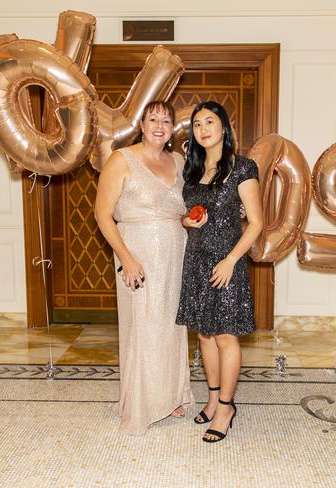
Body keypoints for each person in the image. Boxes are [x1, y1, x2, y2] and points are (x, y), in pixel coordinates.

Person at [94, 101, 193, 435]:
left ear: (172, 128)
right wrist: (126, 257)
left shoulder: (178, 161)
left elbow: (178, 211)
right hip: (137, 254)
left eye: (167, 120)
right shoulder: (121, 160)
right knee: (143, 328)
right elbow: (102, 215)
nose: (160, 126)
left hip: (176, 253)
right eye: (153, 119)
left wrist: (193, 220)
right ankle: (142, 404)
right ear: (142, 123)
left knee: (172, 326)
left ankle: (171, 396)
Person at [176, 101, 262, 443]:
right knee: (204, 334)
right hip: (196, 259)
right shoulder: (192, 170)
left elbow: (256, 223)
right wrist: (187, 220)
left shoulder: (243, 168)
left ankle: (226, 406)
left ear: (224, 128)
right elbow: (188, 215)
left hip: (228, 262)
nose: (203, 129)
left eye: (209, 122)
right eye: (197, 124)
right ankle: (212, 397)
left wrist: (230, 261)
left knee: (225, 335)